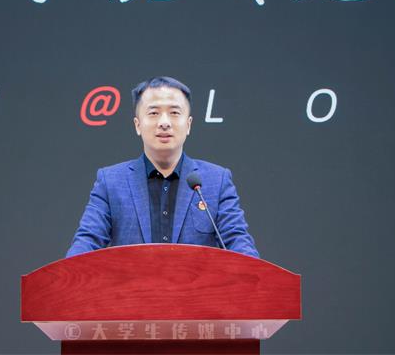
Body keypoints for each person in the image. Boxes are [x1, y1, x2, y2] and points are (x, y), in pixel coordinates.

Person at [66, 76, 259, 258]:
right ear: (137, 125)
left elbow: (238, 241)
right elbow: (86, 242)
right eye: (154, 113)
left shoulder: (216, 181)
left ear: (189, 124)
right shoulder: (111, 182)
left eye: (174, 113)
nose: (164, 123)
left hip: (196, 284)